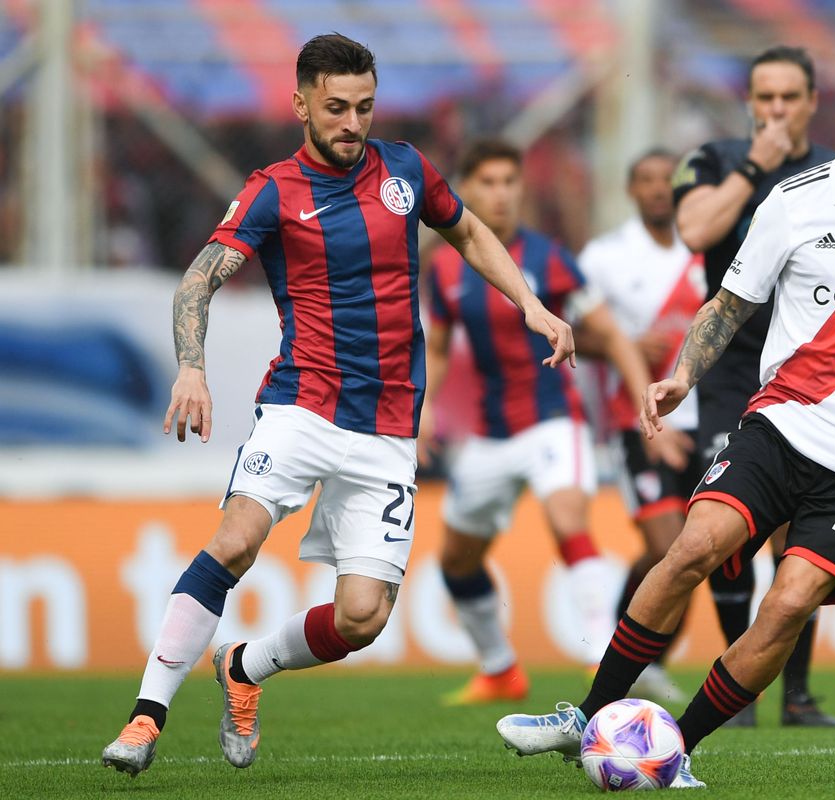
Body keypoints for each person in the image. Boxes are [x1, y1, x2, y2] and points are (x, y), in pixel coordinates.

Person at [497, 57, 835, 789]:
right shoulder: (793, 202)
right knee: (692, 548)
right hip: (781, 426)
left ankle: (674, 748)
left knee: (787, 606)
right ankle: (590, 716)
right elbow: (729, 305)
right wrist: (683, 376)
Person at [101, 34, 575, 778]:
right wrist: (190, 369)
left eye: (363, 107)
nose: (352, 123)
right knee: (235, 540)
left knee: (362, 618)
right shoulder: (272, 190)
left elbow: (470, 231)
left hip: (387, 427)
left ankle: (245, 667)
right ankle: (145, 716)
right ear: (300, 104)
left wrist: (531, 305)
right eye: (335, 109)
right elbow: (198, 280)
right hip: (301, 404)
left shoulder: (406, 171)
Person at [421, 139, 652, 705]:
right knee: (455, 559)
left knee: (568, 515)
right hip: (490, 432)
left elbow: (611, 334)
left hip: (554, 417)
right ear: (466, 190)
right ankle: (500, 669)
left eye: (510, 181)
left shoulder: (549, 257)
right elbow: (440, 347)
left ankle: (603, 660)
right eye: (489, 183)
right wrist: (424, 405)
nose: (501, 194)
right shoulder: (445, 267)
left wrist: (644, 392)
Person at [672, 44, 835, 728]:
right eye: (764, 97)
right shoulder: (712, 161)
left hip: (812, 370)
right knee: (726, 529)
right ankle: (738, 689)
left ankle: (795, 693)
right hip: (733, 367)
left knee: (802, 534)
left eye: (788, 98)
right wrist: (754, 168)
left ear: (811, 102)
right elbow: (692, 231)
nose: (775, 110)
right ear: (749, 102)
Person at [576, 148, 706, 704]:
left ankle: (646, 657)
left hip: (708, 420)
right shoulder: (604, 257)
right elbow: (570, 337)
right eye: (645, 179)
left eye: (666, 180)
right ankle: (630, 653)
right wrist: (621, 347)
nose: (657, 189)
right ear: (630, 189)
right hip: (638, 423)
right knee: (668, 545)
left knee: (694, 550)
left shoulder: (706, 251)